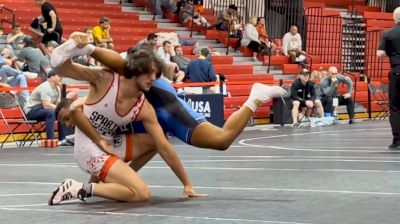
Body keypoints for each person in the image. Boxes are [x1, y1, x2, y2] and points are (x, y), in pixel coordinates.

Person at [48, 32, 205, 205]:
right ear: (136, 71)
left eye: (156, 74)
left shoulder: (143, 107)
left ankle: (119, 181)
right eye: (149, 73)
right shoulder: (105, 79)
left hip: (109, 144)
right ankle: (77, 188)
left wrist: (187, 184)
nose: (153, 79)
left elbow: (164, 147)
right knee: (141, 193)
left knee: (156, 141)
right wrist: (78, 47)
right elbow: (61, 67)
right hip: (88, 149)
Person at [84, 41, 287, 150]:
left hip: (167, 109)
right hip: (152, 111)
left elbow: (115, 64)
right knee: (118, 154)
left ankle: (255, 98)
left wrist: (87, 47)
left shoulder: (126, 69)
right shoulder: (111, 81)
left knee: (222, 140)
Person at [377, 6, 400, 150]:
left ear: (394, 18)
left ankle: (397, 139)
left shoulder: (388, 33)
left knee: (395, 107)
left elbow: (379, 53)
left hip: (397, 72)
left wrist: (391, 53)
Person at [24, 70, 67, 140]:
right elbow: (46, 105)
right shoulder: (45, 87)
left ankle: (63, 139)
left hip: (43, 110)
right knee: (51, 112)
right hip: (32, 111)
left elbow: (57, 104)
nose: (60, 78)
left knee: (62, 113)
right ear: (52, 78)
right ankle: (50, 140)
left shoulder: (58, 88)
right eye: (59, 76)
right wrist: (59, 108)